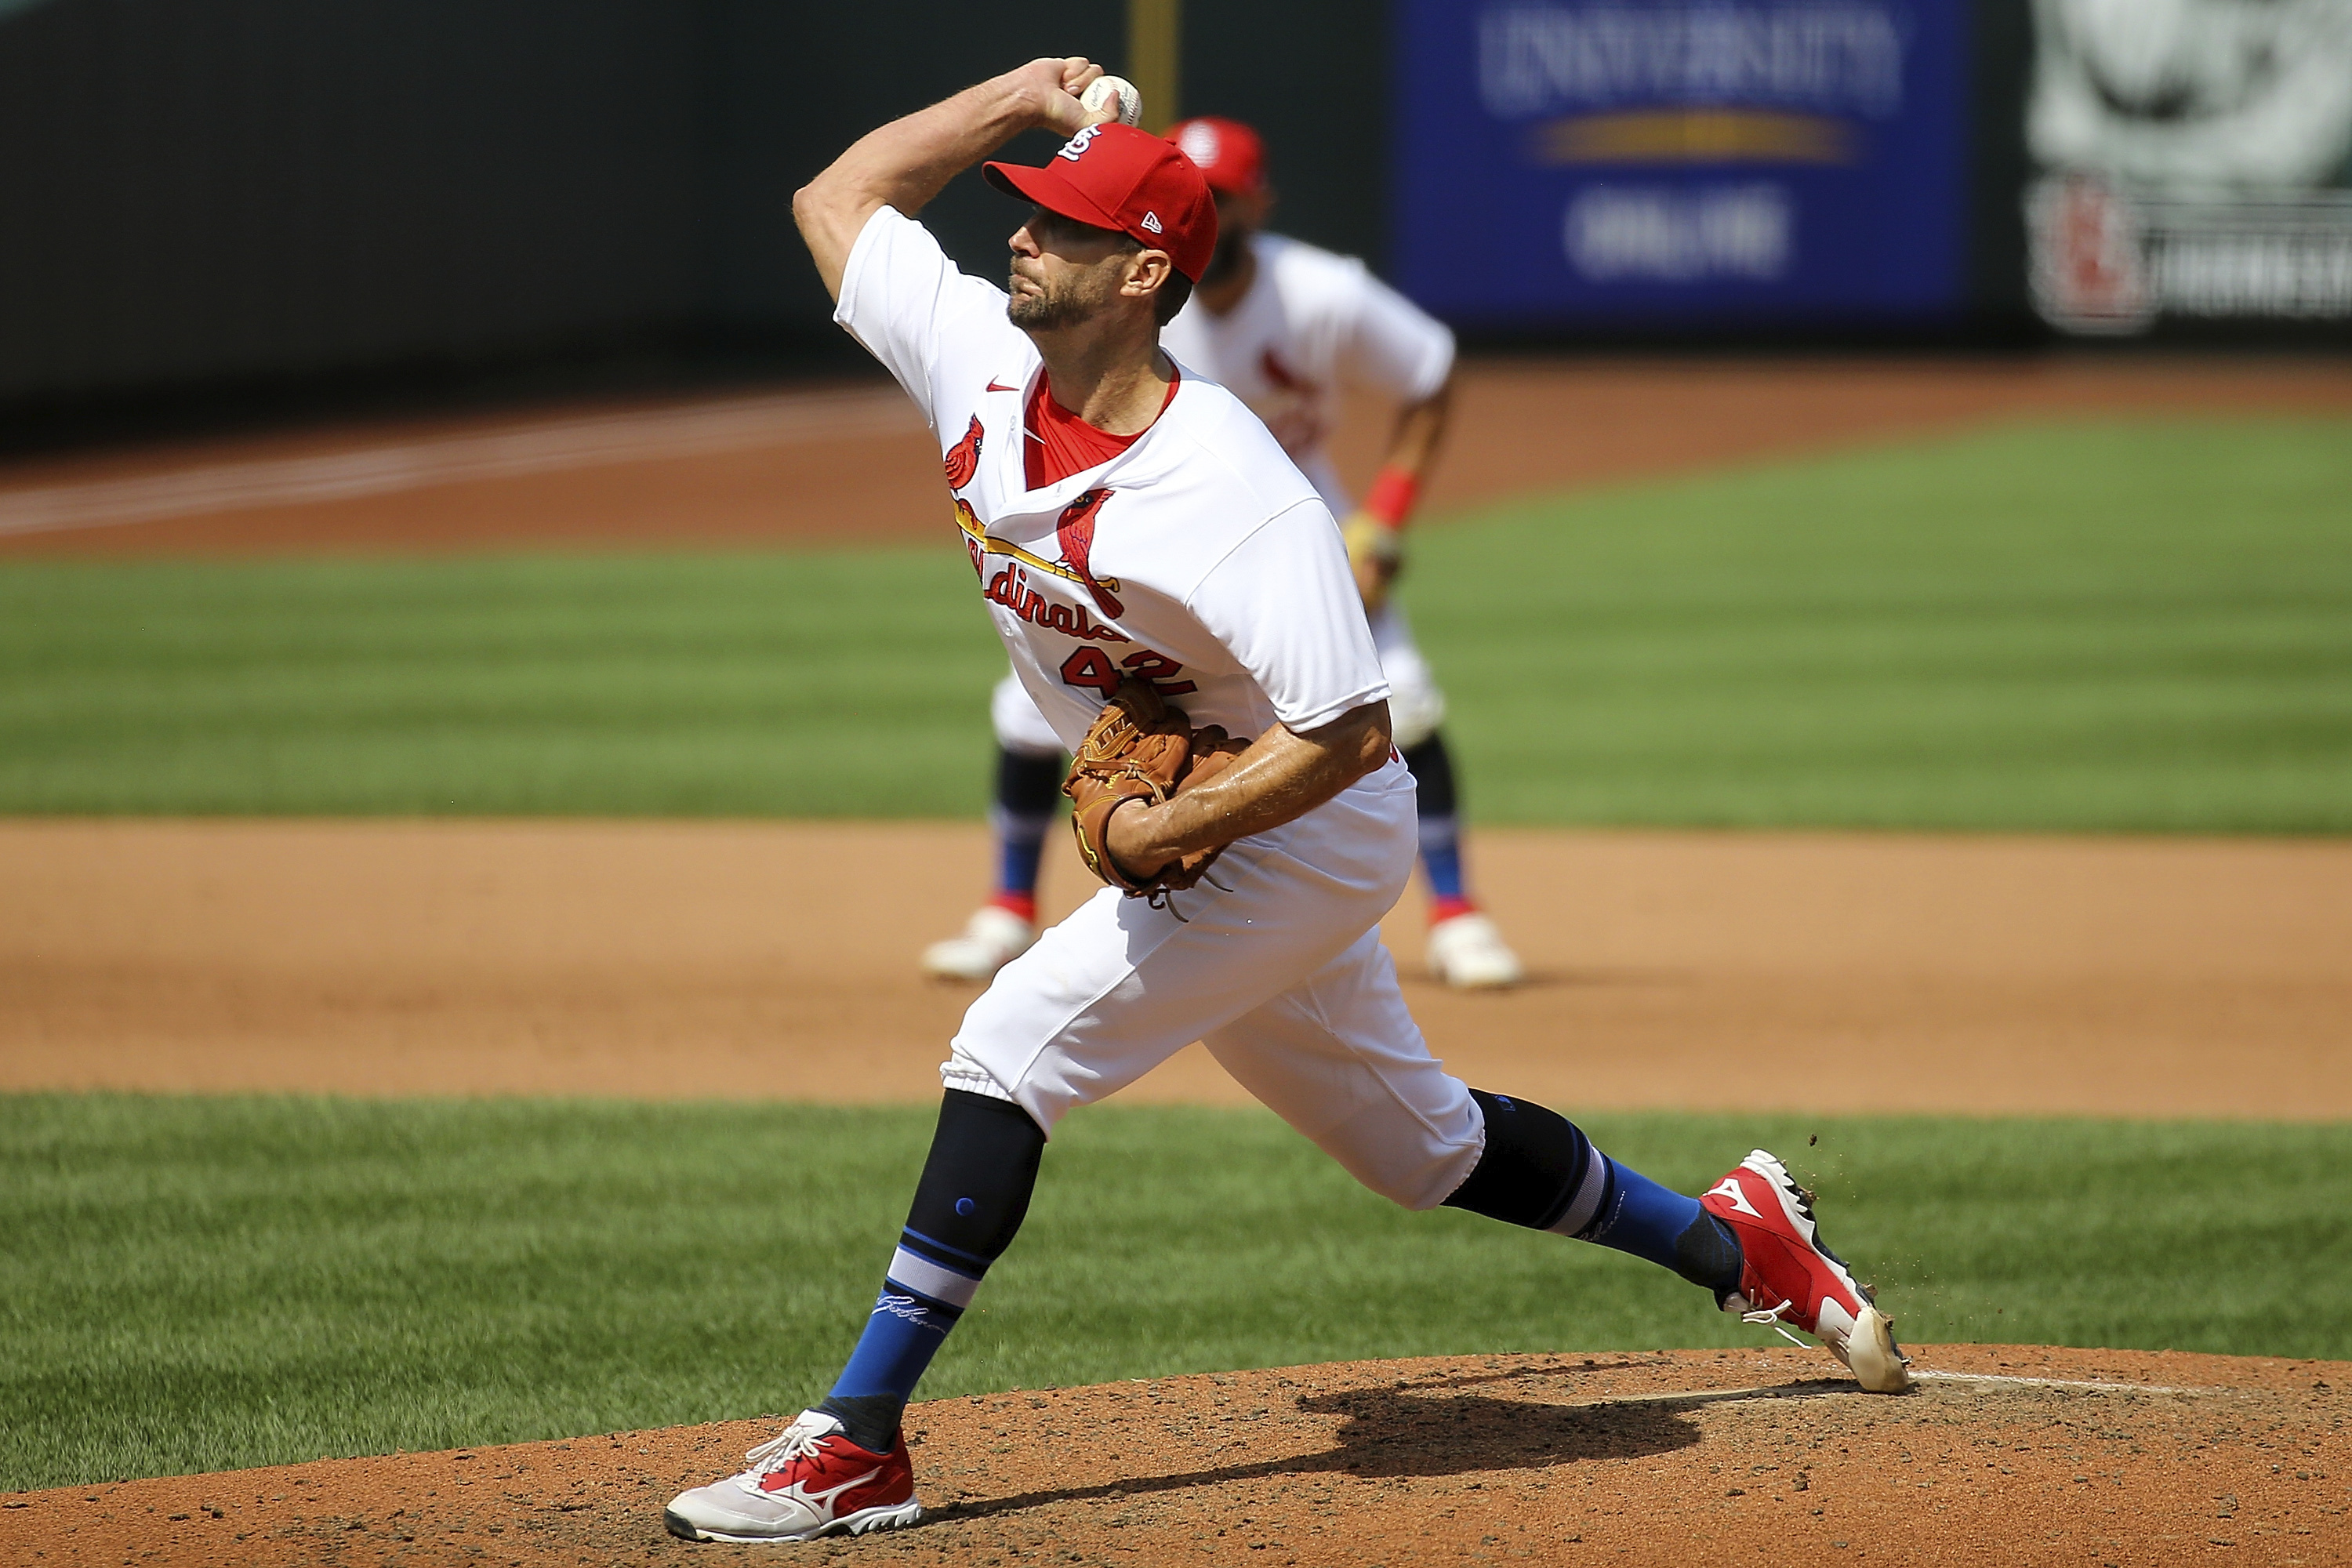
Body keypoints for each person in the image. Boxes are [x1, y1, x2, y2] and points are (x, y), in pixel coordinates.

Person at [662, 56, 1906, 1547]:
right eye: (1025, 214)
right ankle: (1746, 1247)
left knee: (1007, 1045)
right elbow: (838, 198)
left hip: (1305, 834)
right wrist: (1017, 104)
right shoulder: (977, 361)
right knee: (1417, 1149)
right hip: (1220, 838)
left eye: (1055, 224)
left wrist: (1164, 834)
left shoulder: (1237, 494)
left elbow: (1351, 735)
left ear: (1140, 272)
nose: (1019, 237)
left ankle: (856, 1442)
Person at [920, 118, 1525, 992]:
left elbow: (1429, 374)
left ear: (1256, 203)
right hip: (1142, 540)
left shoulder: (1324, 294)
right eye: (1200, 194)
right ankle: (1006, 908)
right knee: (1027, 708)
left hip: (1303, 535)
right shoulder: (1127, 297)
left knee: (1404, 702)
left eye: (1226, 195)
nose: (1216, 207)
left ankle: (1460, 915)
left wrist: (1383, 523)